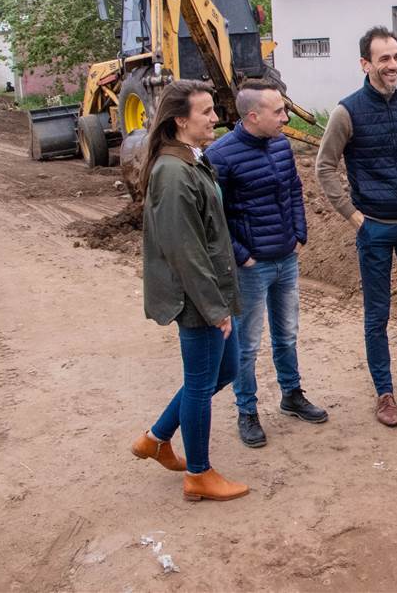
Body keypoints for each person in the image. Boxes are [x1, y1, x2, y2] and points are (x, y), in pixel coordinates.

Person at [129, 79, 248, 502]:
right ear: (181, 120)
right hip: (196, 299)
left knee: (225, 371)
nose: (216, 118)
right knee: (200, 384)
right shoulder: (174, 172)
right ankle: (198, 474)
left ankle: (157, 438)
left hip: (211, 291)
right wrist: (215, 308)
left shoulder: (190, 160)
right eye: (207, 112)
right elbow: (185, 251)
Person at [315, 26, 397, 427]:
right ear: (365, 63)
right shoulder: (346, 112)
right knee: (377, 313)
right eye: (384, 58)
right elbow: (325, 166)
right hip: (375, 226)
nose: (393, 65)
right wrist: (351, 214)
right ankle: (384, 391)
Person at [205, 81, 328, 450]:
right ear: (253, 116)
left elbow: (293, 190)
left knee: (287, 334)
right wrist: (243, 254)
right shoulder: (220, 156)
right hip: (251, 267)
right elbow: (216, 217)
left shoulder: (280, 145)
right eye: (278, 112)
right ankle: (247, 411)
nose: (286, 117)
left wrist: (298, 233)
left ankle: (292, 395)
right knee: (247, 344)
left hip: (285, 257)